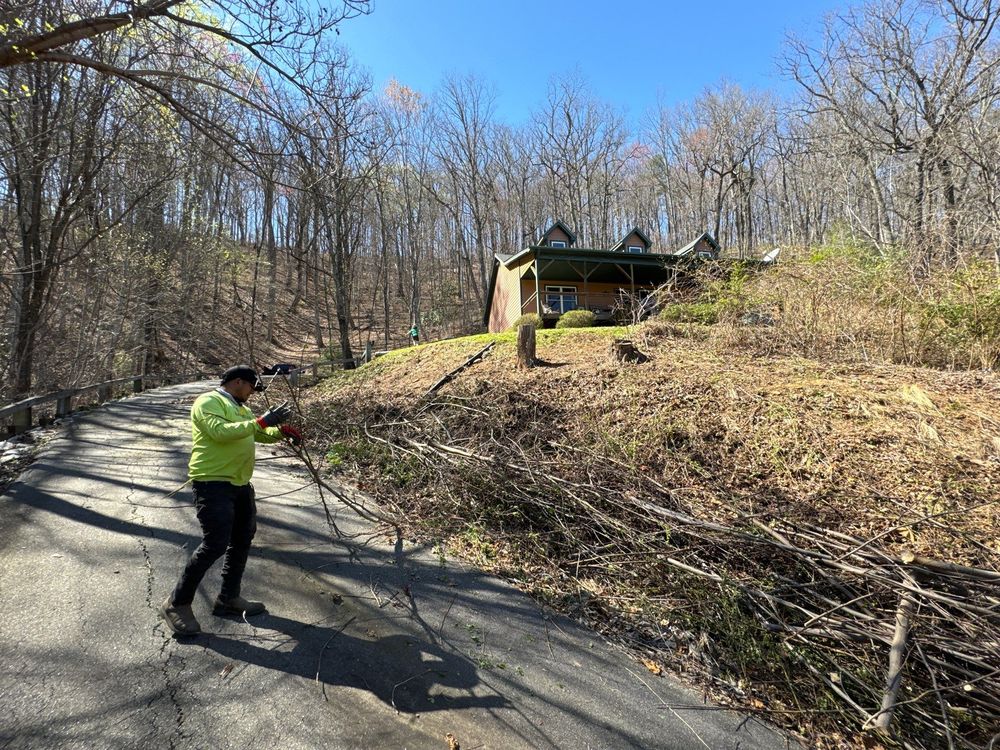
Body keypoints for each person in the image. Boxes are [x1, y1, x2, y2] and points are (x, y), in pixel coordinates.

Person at [159, 365, 303, 636]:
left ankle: (228, 597)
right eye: (251, 387)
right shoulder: (208, 401)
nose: (252, 393)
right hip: (212, 482)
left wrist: (281, 430)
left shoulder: (242, 409)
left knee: (242, 538)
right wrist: (262, 421)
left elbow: (256, 433)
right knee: (215, 544)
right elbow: (220, 432)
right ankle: (176, 603)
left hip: (239, 484)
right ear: (238, 382)